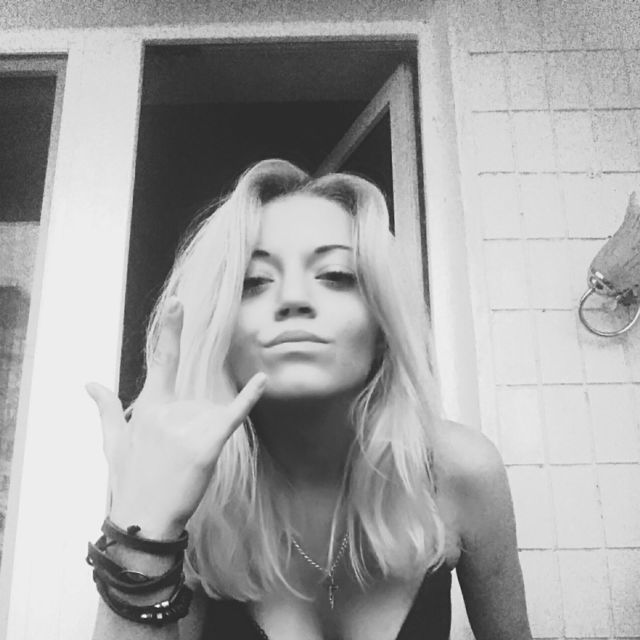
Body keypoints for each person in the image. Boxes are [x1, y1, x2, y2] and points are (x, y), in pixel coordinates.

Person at [86, 159, 532, 640]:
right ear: (219, 333)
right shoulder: (185, 486)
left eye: (336, 274)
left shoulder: (461, 472)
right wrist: (143, 526)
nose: (294, 298)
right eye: (254, 281)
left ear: (383, 326)